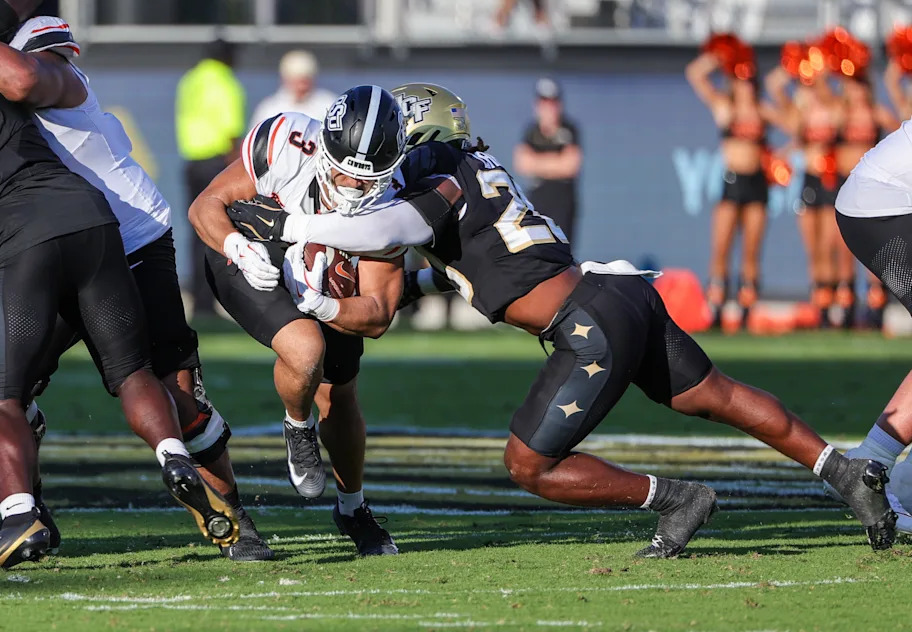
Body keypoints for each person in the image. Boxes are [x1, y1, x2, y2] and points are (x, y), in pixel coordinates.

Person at [232, 82, 898, 557]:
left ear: (424, 137)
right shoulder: (480, 169)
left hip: (588, 324)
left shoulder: (438, 174)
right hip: (616, 292)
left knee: (529, 466)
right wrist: (410, 283)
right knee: (717, 394)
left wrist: (294, 225)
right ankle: (845, 473)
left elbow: (403, 222)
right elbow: (475, 266)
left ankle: (678, 499)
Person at [0, 12, 273, 561]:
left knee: (176, 392)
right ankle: (34, 516)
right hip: (75, 240)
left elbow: (25, 79)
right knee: (13, 389)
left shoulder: (48, 75)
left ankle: (234, 520)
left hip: (131, 241)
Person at [188, 86, 409, 556]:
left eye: (365, 181)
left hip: (327, 278)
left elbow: (378, 313)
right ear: (323, 148)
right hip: (252, 258)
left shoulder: (394, 206)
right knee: (306, 348)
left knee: (341, 391)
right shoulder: (287, 142)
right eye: (344, 173)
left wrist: (322, 304)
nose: (351, 188)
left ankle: (352, 507)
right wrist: (236, 246)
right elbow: (205, 205)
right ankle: (297, 425)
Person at [686, 47, 773, 329]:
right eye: (740, 78)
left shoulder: (762, 110)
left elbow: (797, 124)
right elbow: (695, 74)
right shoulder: (726, 107)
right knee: (721, 249)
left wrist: (782, 153)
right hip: (732, 182)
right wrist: (722, 54)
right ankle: (717, 309)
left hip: (757, 182)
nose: (745, 84)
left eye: (749, 79)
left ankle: (747, 312)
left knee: (751, 251)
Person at [767, 52, 842, 327]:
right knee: (814, 248)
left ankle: (837, 305)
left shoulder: (833, 105)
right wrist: (795, 62)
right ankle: (821, 305)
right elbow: (774, 85)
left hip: (832, 180)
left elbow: (836, 111)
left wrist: (821, 66)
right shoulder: (802, 108)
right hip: (810, 180)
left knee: (829, 245)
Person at [176, 39, 245, 317]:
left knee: (198, 232)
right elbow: (231, 130)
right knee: (221, 230)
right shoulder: (224, 82)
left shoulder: (190, 80)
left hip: (192, 160)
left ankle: (202, 301)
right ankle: (219, 297)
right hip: (217, 163)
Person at [834, 72, 898, 328]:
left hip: (870, 189)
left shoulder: (877, 112)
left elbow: (900, 137)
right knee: (842, 249)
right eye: (851, 85)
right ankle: (845, 307)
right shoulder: (840, 113)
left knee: (872, 247)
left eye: (860, 85)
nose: (856, 91)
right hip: (841, 186)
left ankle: (876, 307)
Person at [514, 78, 582, 244]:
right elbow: (522, 163)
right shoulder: (531, 132)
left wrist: (537, 162)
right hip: (537, 201)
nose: (548, 108)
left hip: (563, 204)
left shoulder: (569, 130)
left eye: (552, 102)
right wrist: (555, 162)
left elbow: (570, 166)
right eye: (544, 102)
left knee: (563, 250)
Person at [249, 49, 335, 128]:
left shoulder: (329, 105)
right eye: (296, 80)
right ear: (285, 79)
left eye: (305, 80)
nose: (301, 87)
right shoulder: (269, 109)